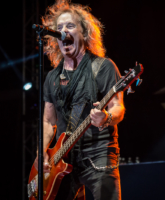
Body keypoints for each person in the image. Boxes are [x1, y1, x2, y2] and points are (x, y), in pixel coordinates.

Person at [33, 1, 125, 199]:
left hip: (99, 153)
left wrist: (106, 117)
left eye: (70, 26)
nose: (63, 31)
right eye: (59, 28)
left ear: (84, 33)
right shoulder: (52, 78)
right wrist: (41, 154)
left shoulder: (103, 67)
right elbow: (49, 122)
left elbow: (118, 107)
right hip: (64, 160)